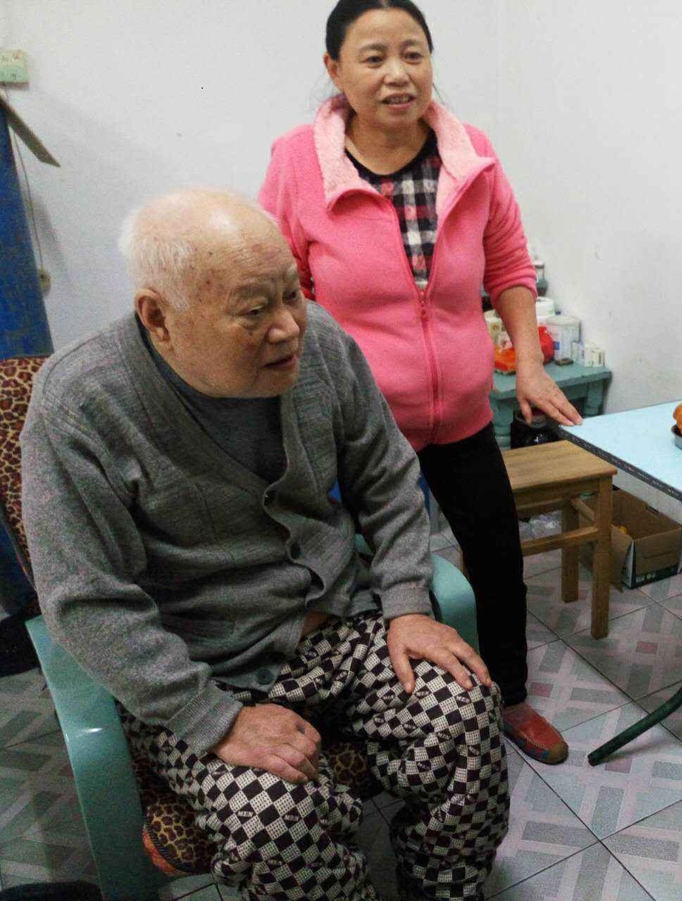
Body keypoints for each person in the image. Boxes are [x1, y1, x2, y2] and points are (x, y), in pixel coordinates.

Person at [21, 190, 509, 901]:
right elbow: (86, 601)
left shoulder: (323, 345)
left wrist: (406, 601)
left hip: (340, 622)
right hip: (197, 664)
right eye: (253, 311)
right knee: (273, 818)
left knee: (464, 710)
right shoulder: (80, 405)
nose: (288, 328)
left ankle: (446, 889)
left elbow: (388, 477)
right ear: (159, 317)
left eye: (291, 294)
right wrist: (212, 719)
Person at [260, 0, 583, 766]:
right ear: (335, 69)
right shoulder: (298, 161)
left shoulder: (472, 154)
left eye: (413, 53)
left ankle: (509, 694)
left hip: (464, 412)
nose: (397, 73)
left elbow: (509, 264)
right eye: (373, 57)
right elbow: (281, 287)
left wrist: (528, 363)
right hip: (359, 427)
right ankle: (383, 706)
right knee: (355, 572)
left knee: (496, 555)